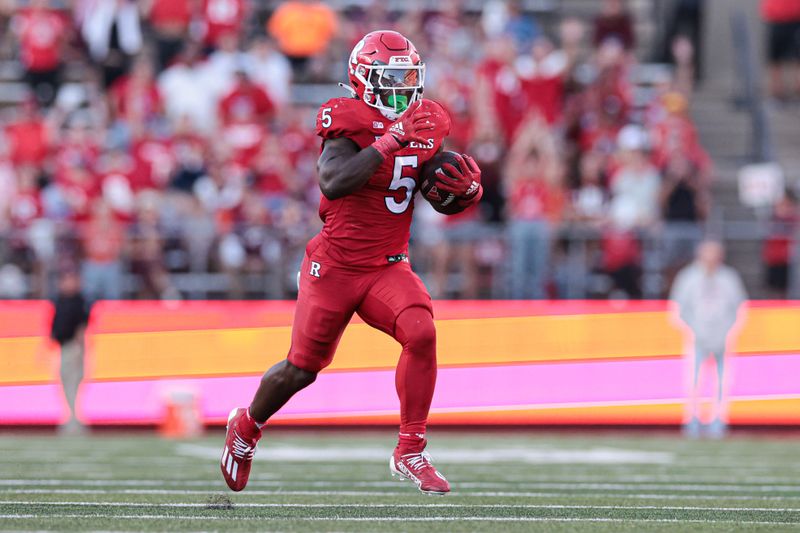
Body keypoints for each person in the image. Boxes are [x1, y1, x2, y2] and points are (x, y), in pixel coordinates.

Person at [220, 30, 483, 495]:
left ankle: (411, 449)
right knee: (302, 368)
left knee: (421, 331)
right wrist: (388, 140)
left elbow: (432, 185)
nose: (403, 86)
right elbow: (334, 181)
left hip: (387, 265)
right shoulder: (347, 117)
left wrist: (464, 192)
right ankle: (247, 425)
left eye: (408, 75)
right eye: (393, 76)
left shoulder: (429, 120)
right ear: (365, 79)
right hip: (335, 267)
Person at [670, 240, 747, 438]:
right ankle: (692, 419)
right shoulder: (688, 277)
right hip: (696, 337)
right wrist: (692, 331)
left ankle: (718, 420)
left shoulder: (729, 278)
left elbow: (739, 308)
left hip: (723, 338)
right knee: (693, 380)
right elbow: (677, 309)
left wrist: (728, 332)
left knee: (722, 381)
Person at [50, 268, 91, 434]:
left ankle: (74, 420)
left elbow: (82, 326)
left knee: (73, 384)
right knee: (65, 384)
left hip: (72, 346)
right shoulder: (60, 300)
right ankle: (71, 418)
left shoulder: (78, 301)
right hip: (62, 347)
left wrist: (80, 349)